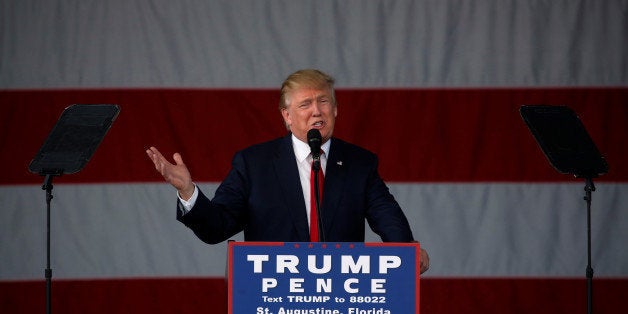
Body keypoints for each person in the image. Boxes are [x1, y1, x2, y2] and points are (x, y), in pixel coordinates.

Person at [146, 69, 429, 273]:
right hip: (275, 297)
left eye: (323, 101)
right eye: (305, 104)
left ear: (336, 110)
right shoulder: (253, 164)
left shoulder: (359, 163)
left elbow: (387, 216)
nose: (316, 111)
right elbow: (216, 227)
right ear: (286, 115)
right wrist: (187, 191)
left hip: (341, 297)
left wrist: (407, 250)